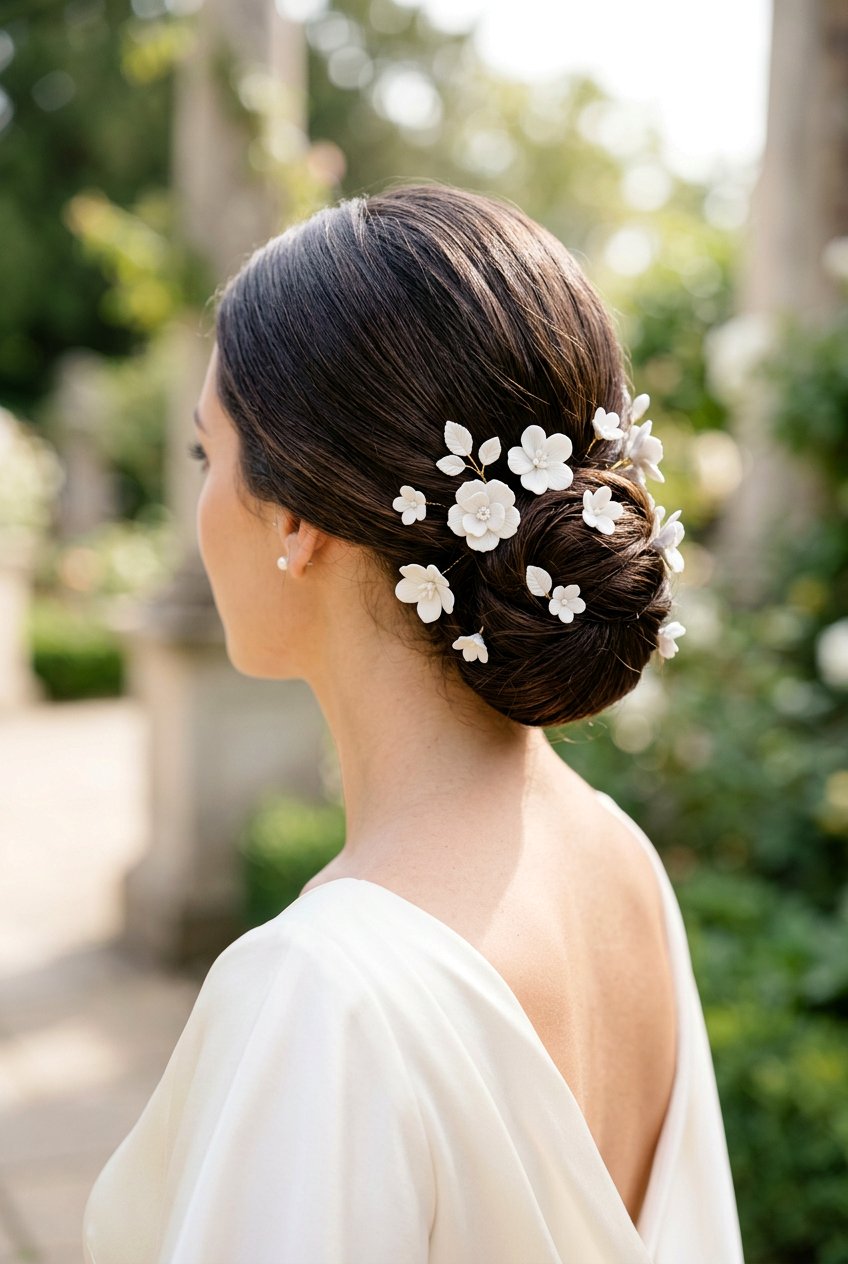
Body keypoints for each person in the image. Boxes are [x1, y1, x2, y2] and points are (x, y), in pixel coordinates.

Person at [82, 181, 744, 1262]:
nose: (198, 505)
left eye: (210, 455)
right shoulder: (618, 859)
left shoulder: (324, 998)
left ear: (294, 518)